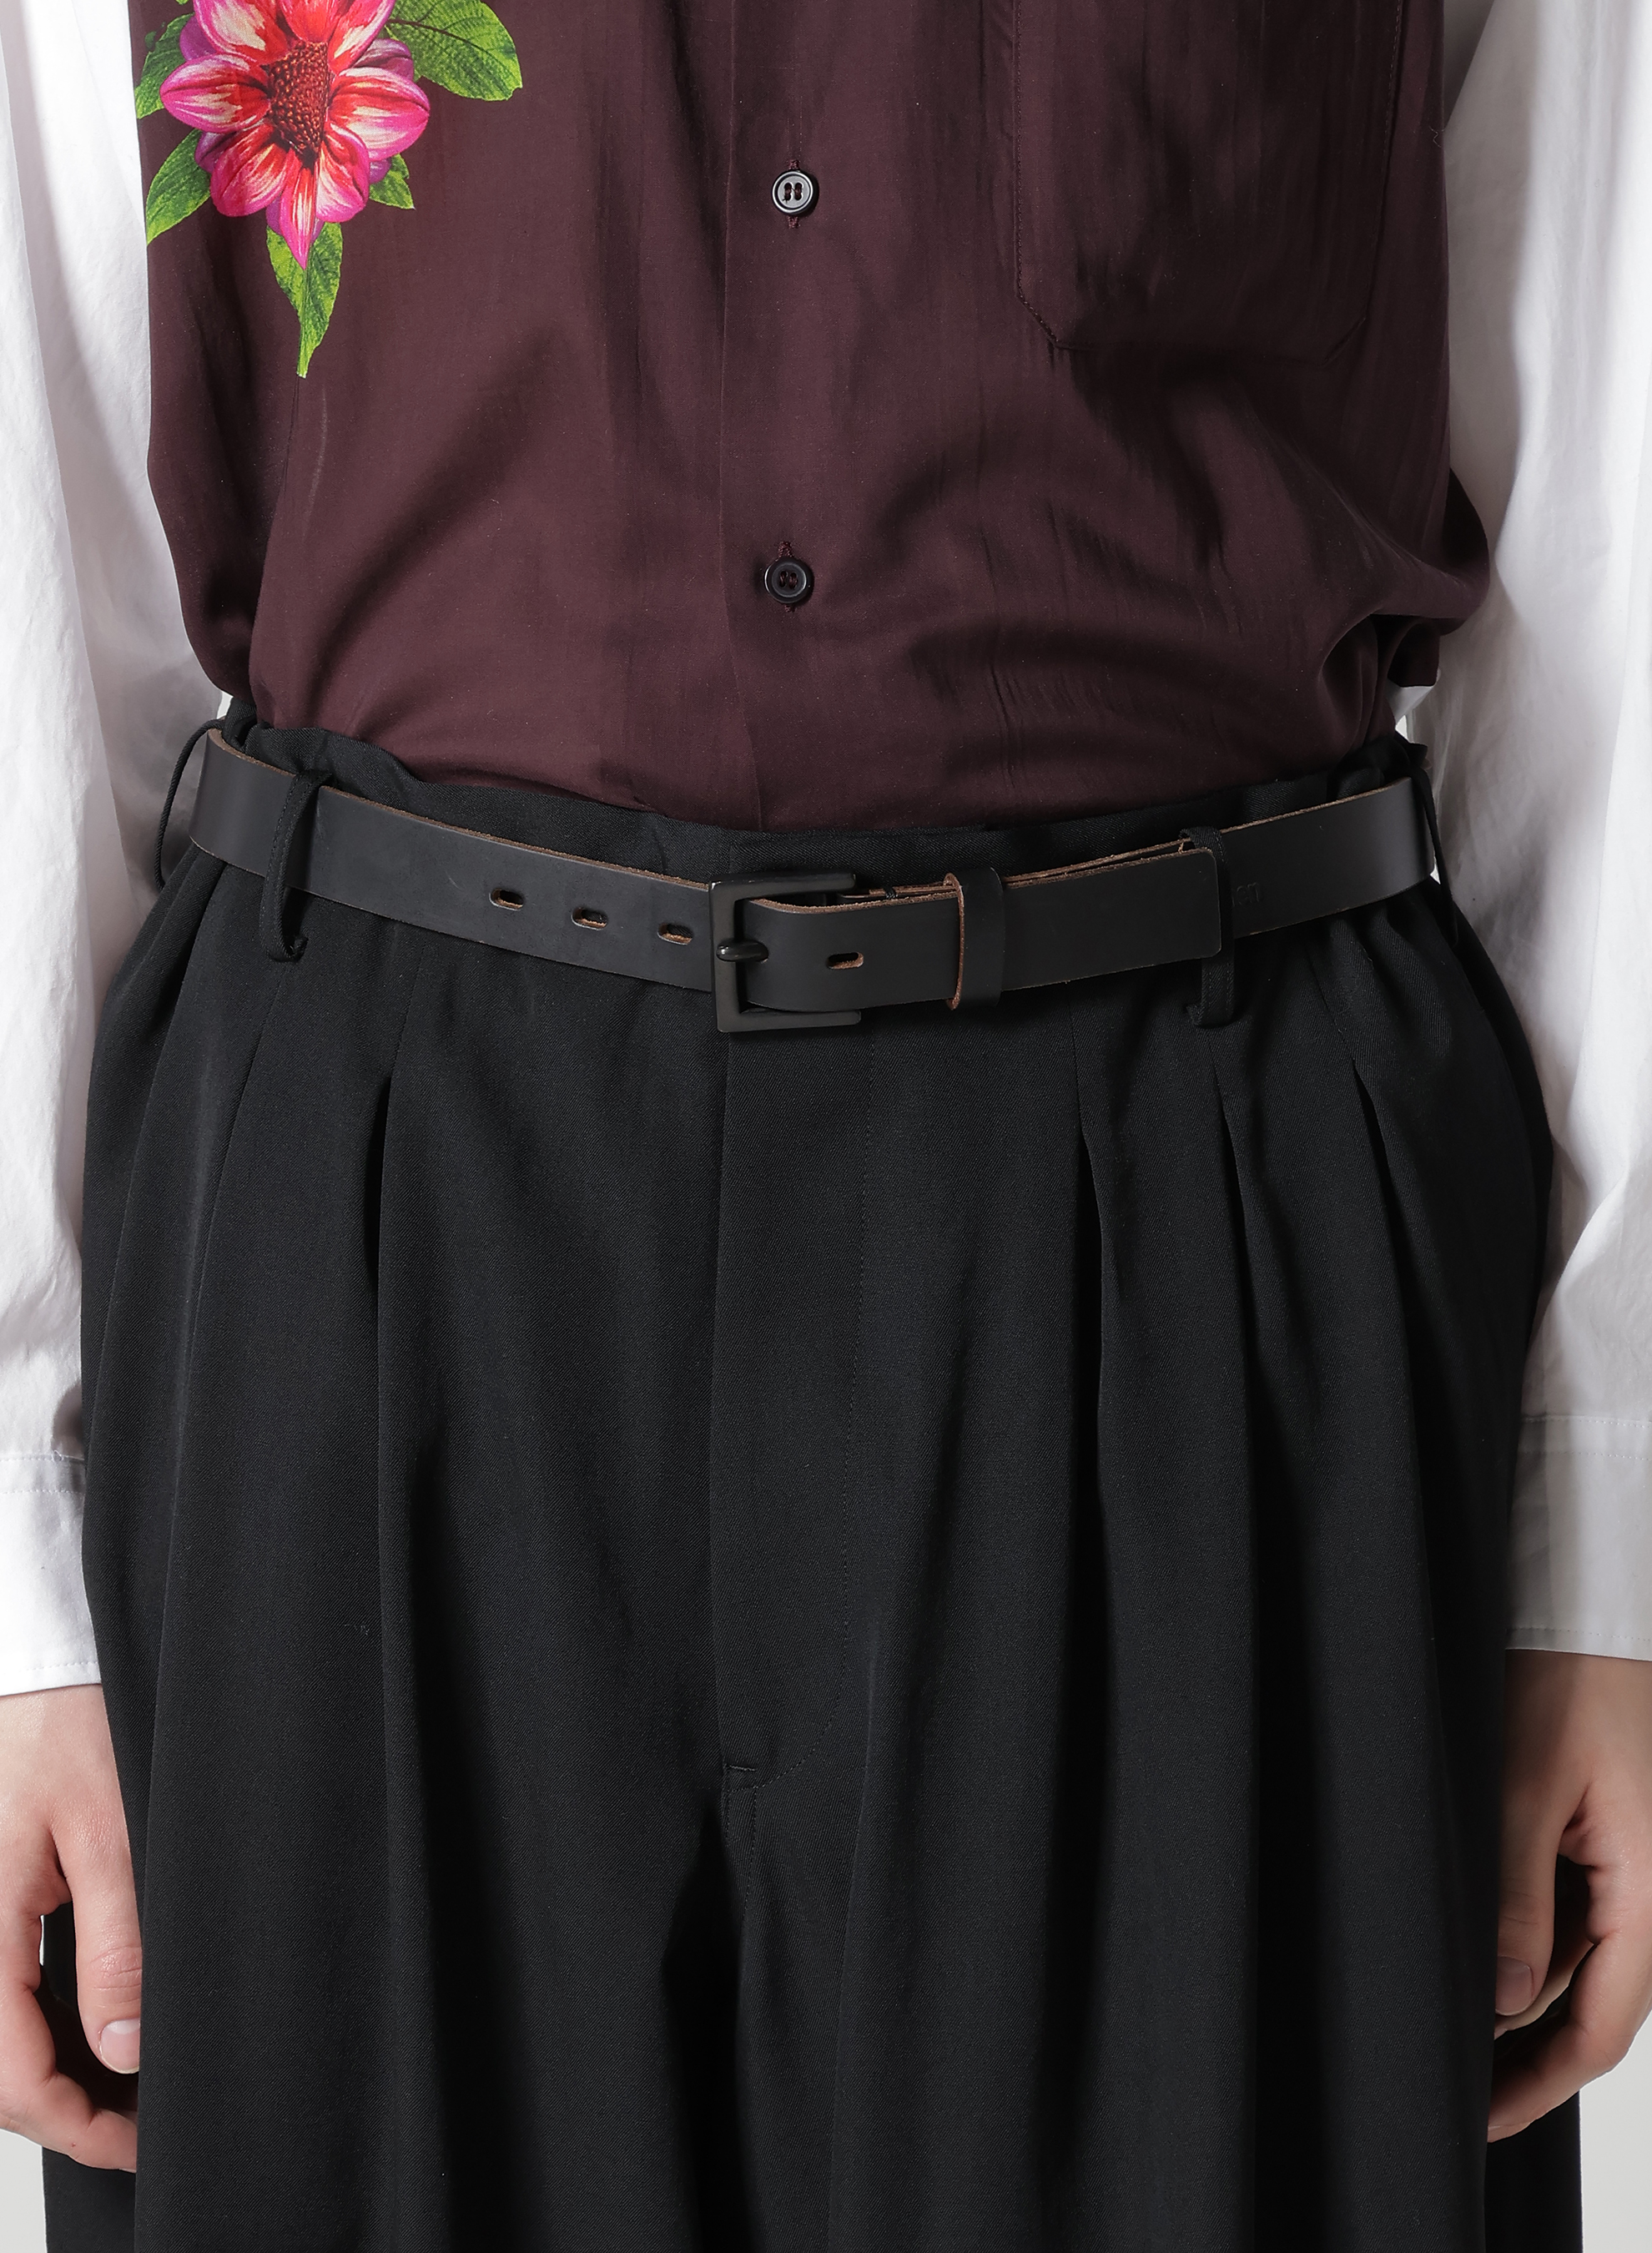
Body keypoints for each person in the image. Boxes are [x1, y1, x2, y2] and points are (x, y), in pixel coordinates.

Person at [1, 0, 1649, 2245]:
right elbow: (49, 507)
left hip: (1196, 1210)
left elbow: (1605, 509)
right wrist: (23, 1578)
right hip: (389, 1230)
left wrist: (1595, 1529)